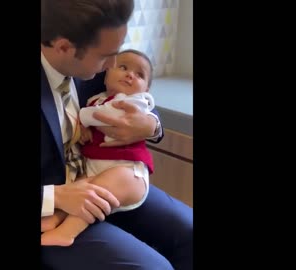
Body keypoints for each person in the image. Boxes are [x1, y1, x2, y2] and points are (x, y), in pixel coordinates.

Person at [41, 0, 193, 269]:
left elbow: (139, 97)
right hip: (53, 206)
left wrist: (151, 126)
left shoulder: (94, 58)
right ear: (64, 47)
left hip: (105, 177)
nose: (113, 64)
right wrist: (56, 196)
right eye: (105, 56)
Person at [41, 49, 157, 247]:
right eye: (123, 67)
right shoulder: (101, 91)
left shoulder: (130, 100)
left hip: (128, 174)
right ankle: (58, 216)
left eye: (139, 75)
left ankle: (67, 231)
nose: (129, 74)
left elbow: (98, 115)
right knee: (86, 189)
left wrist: (152, 125)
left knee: (94, 192)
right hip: (84, 174)